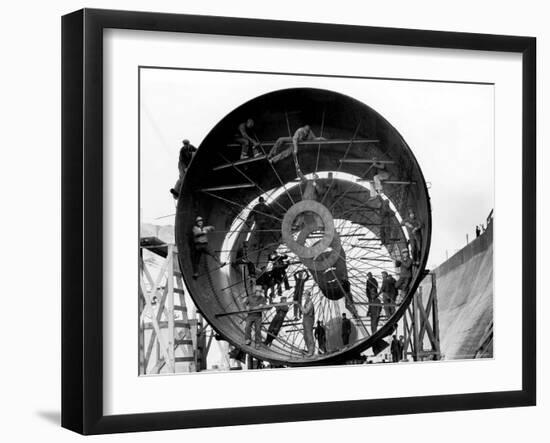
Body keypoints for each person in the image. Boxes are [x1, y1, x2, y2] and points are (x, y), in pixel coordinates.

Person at [301, 291, 315, 356]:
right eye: (304, 295)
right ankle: (309, 350)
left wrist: (300, 306)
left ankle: (311, 352)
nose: (305, 296)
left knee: (309, 336)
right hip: (305, 320)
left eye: (306, 295)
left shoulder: (310, 303)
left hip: (309, 320)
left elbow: (306, 311)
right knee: (305, 336)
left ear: (308, 296)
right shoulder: (306, 302)